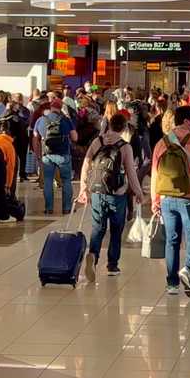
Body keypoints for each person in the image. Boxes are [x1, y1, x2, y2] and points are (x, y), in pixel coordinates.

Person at [151, 108, 190, 297]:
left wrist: (155, 200)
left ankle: (172, 284)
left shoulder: (162, 142)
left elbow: (154, 173)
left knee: (172, 240)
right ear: (186, 120)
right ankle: (188, 269)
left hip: (167, 198)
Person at [77, 112, 144, 281]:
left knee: (98, 228)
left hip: (97, 192)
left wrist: (83, 188)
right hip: (117, 194)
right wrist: (138, 192)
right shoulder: (125, 146)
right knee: (116, 229)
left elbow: (86, 164)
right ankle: (112, 265)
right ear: (124, 128)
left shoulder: (97, 141)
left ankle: (93, 255)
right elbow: (131, 172)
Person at [34, 101, 74, 216]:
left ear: (51, 107)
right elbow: (75, 137)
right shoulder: (65, 120)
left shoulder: (41, 120)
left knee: (48, 181)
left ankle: (48, 208)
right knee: (66, 181)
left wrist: (38, 154)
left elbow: (35, 137)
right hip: (63, 155)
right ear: (61, 108)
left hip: (47, 155)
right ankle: (66, 208)